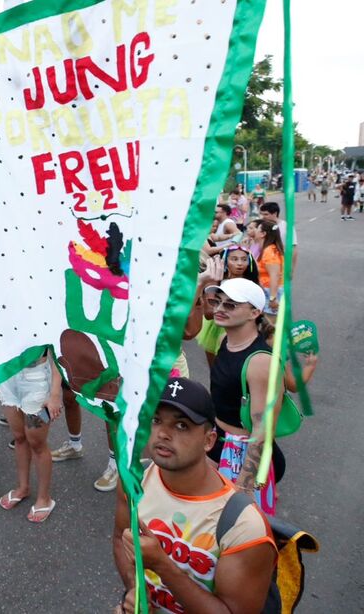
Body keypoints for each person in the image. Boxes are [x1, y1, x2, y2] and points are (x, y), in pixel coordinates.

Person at [112, 377, 276, 614]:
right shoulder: (133, 481)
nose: (163, 433)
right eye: (156, 420)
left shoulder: (244, 526)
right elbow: (121, 538)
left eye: (181, 425)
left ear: (209, 440)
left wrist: (162, 565)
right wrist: (134, 589)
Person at [203, 278, 284, 516]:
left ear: (254, 312)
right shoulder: (224, 340)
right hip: (217, 442)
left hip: (241, 453)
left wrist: (245, 485)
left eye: (230, 304)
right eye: (218, 302)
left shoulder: (261, 361)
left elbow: (263, 428)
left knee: (232, 524)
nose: (219, 309)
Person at [0, 348, 63, 522]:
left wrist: (55, 394)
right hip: (8, 375)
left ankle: (44, 498)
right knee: (19, 437)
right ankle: (23, 487)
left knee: (37, 443)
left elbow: (58, 349)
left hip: (37, 378)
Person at [196, 251, 256, 367]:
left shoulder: (251, 284)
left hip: (239, 329)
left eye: (244, 259)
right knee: (215, 367)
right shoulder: (217, 280)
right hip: (216, 329)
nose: (240, 263)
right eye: (234, 259)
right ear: (225, 261)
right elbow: (208, 313)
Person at [245, 220, 284, 319]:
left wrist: (273, 298)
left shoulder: (270, 251)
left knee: (270, 323)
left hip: (271, 292)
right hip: (266, 290)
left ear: (263, 234)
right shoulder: (265, 249)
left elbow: (275, 276)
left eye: (257, 229)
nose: (254, 231)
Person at [258, 201, 297, 274]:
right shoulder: (260, 226)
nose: (262, 217)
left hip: (279, 263)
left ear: (275, 213)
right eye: (261, 214)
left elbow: (293, 248)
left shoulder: (286, 227)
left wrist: (291, 268)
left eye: (266, 214)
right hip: (262, 264)